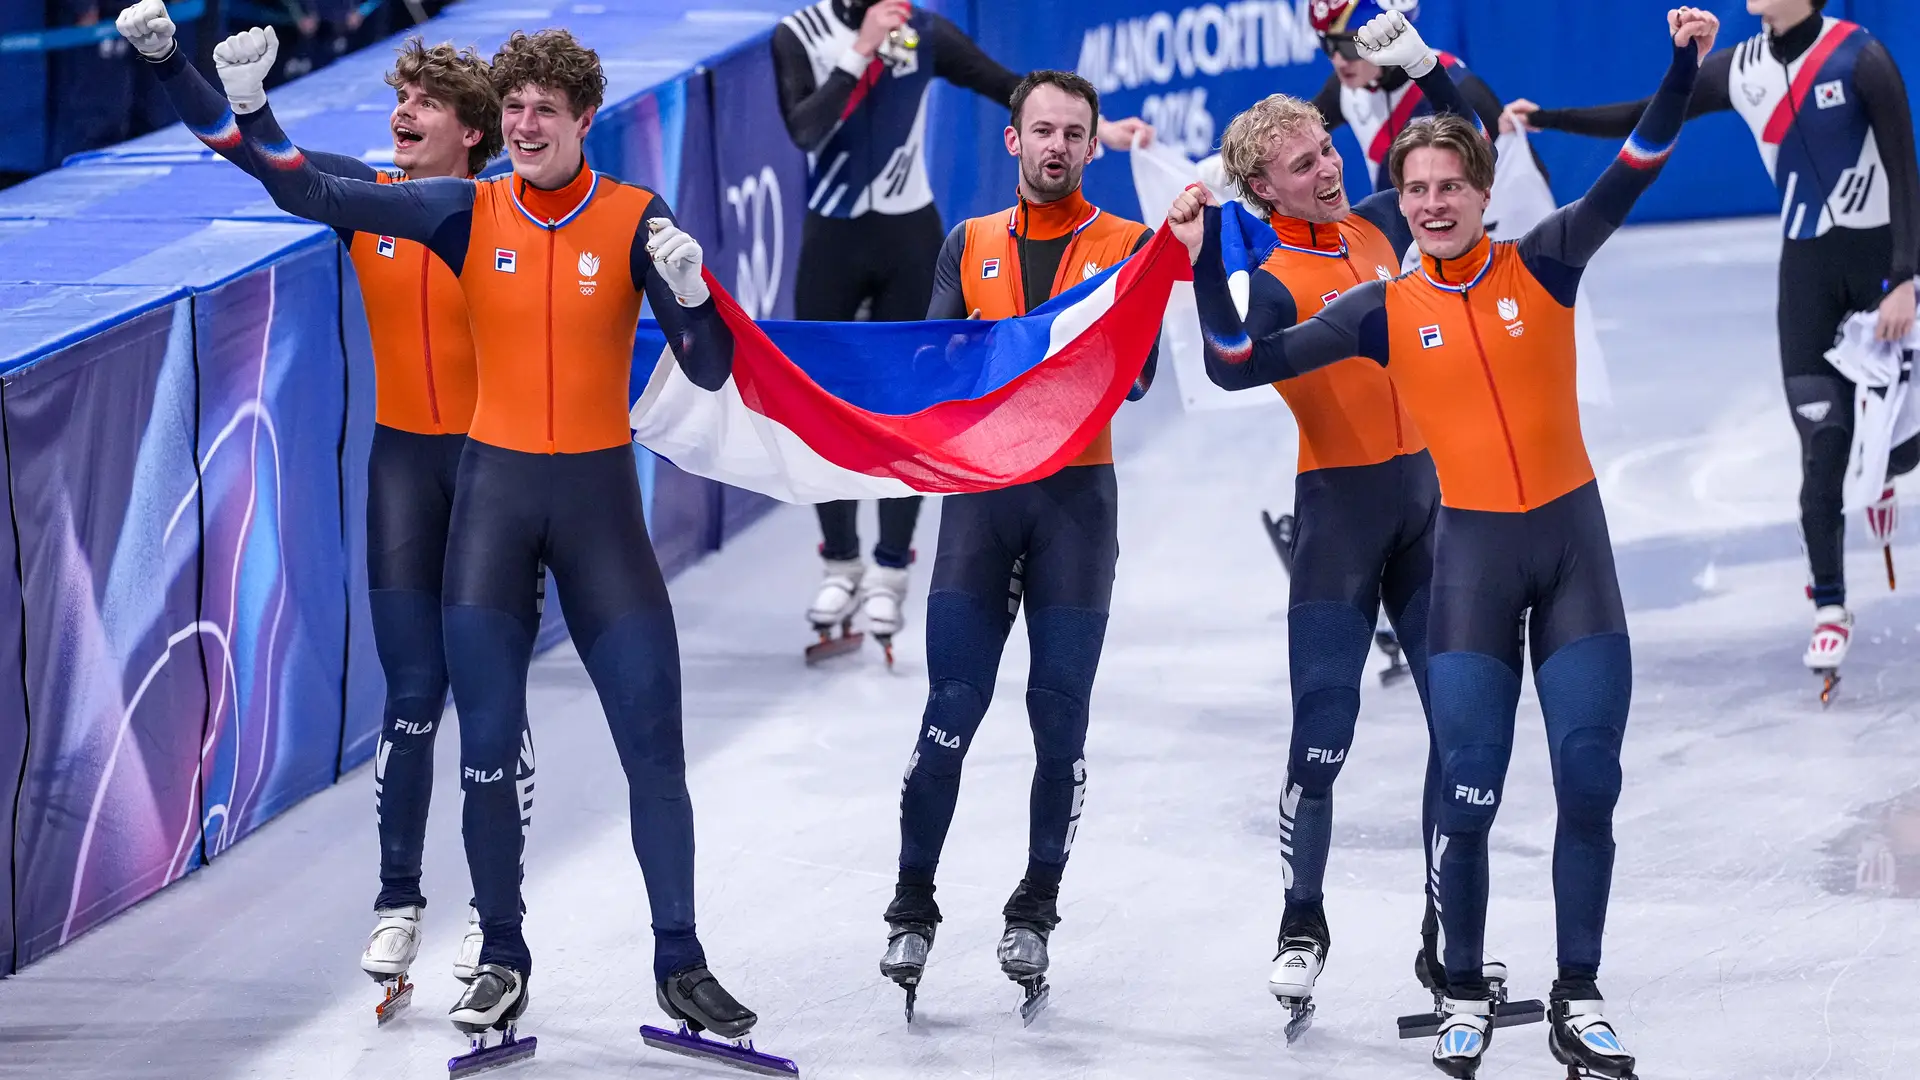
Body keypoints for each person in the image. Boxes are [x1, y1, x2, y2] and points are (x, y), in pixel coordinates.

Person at [1170, 8, 1716, 1076]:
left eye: (1446, 187)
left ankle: (1571, 989)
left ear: (1476, 192)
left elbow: (1637, 159)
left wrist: (1682, 63)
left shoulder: (1538, 258)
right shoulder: (1375, 301)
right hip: (1400, 534)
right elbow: (1235, 362)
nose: (1423, 200)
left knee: (1587, 778)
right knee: (1417, 765)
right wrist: (1200, 262)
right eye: (1411, 188)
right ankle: (1361, 940)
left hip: (1548, 553)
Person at [208, 23, 767, 1053]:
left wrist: (690, 296)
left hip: (602, 515)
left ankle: (681, 965)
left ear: (584, 121)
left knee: (655, 757)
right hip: (493, 512)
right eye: (511, 112)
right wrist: (250, 110)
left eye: (542, 112)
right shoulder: (464, 211)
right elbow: (314, 193)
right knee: (488, 753)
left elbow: (716, 366)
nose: (523, 127)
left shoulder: (639, 220)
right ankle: (502, 957)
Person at [116, 0, 528, 1015]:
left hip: (493, 475)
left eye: (426, 104)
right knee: (410, 697)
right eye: (401, 98)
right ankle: (397, 902)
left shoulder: (505, 212)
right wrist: (180, 67)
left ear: (472, 131)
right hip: (401, 472)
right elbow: (260, 160)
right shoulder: (372, 197)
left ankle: (496, 913)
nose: (404, 113)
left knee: (490, 704)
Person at [1204, 9, 1509, 1036]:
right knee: (1323, 741)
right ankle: (1302, 921)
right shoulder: (1271, 281)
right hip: (1336, 521)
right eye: (1301, 165)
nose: (1326, 170)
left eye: (1325, 150)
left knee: (1460, 732)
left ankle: (1441, 938)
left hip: (1429, 513)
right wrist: (1205, 251)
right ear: (1263, 190)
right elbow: (1227, 363)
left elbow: (1477, 156)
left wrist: (1427, 68)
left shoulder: (1387, 217)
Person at [1506, 0, 1920, 688]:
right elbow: (1648, 113)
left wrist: (1905, 280)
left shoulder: (1860, 56)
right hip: (1808, 283)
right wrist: (1545, 118)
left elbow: (1906, 169)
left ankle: (1886, 468)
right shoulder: (1740, 69)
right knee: (1824, 447)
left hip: (1882, 272)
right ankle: (1830, 604)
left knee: (1896, 450)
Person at [877, 69, 1155, 1023]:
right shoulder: (971, 242)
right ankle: (912, 899)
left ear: (1090, 147)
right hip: (983, 504)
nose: (1058, 147)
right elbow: (928, 365)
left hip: (1077, 503)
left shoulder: (1125, 246)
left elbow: (1143, 375)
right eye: (1043, 131)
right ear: (1013, 141)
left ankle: (1035, 904)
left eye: (1075, 134)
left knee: (1058, 720)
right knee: (949, 710)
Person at [773, 0, 1151, 654]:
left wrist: (1101, 130)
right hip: (830, 240)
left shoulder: (921, 29)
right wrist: (861, 49)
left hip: (905, 235)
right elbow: (806, 130)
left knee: (918, 398)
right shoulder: (798, 35)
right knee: (823, 400)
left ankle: (892, 565)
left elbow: (1007, 85)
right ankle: (840, 560)